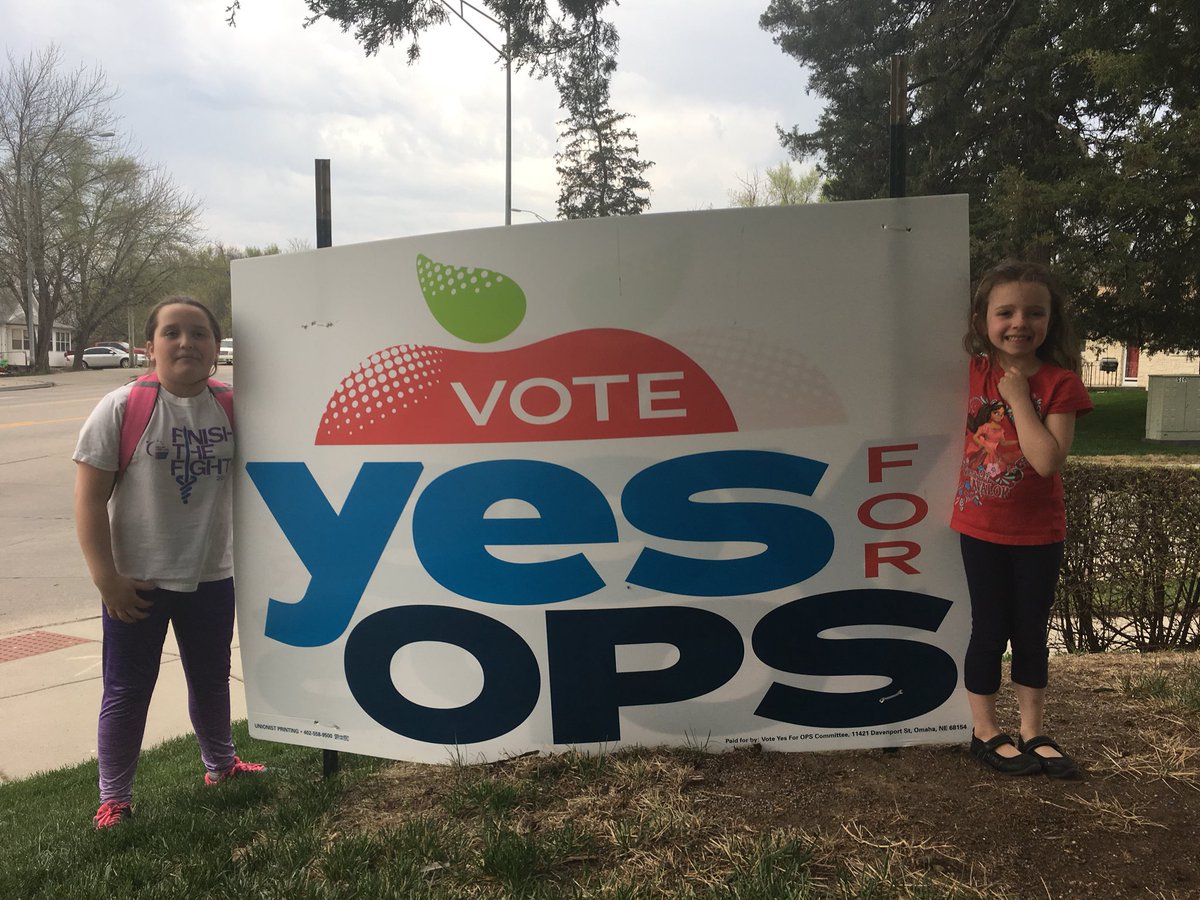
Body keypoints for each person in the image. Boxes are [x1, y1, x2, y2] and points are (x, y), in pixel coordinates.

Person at [74, 296, 263, 828]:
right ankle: (115, 797)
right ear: (150, 347)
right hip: (138, 582)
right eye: (172, 332)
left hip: (212, 574)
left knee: (212, 678)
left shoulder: (234, 407)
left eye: (199, 333)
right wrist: (107, 579)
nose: (186, 342)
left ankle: (221, 765)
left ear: (216, 347)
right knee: (128, 689)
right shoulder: (122, 407)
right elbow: (88, 501)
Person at [951, 260, 1092, 778]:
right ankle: (985, 731)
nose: (1019, 323)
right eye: (1005, 312)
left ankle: (1033, 731)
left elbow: (1047, 460)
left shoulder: (1060, 384)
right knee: (989, 629)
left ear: (1051, 321)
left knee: (1031, 631)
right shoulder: (973, 369)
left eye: (1034, 312)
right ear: (981, 320)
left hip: (1038, 533)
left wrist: (1017, 400)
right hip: (980, 527)